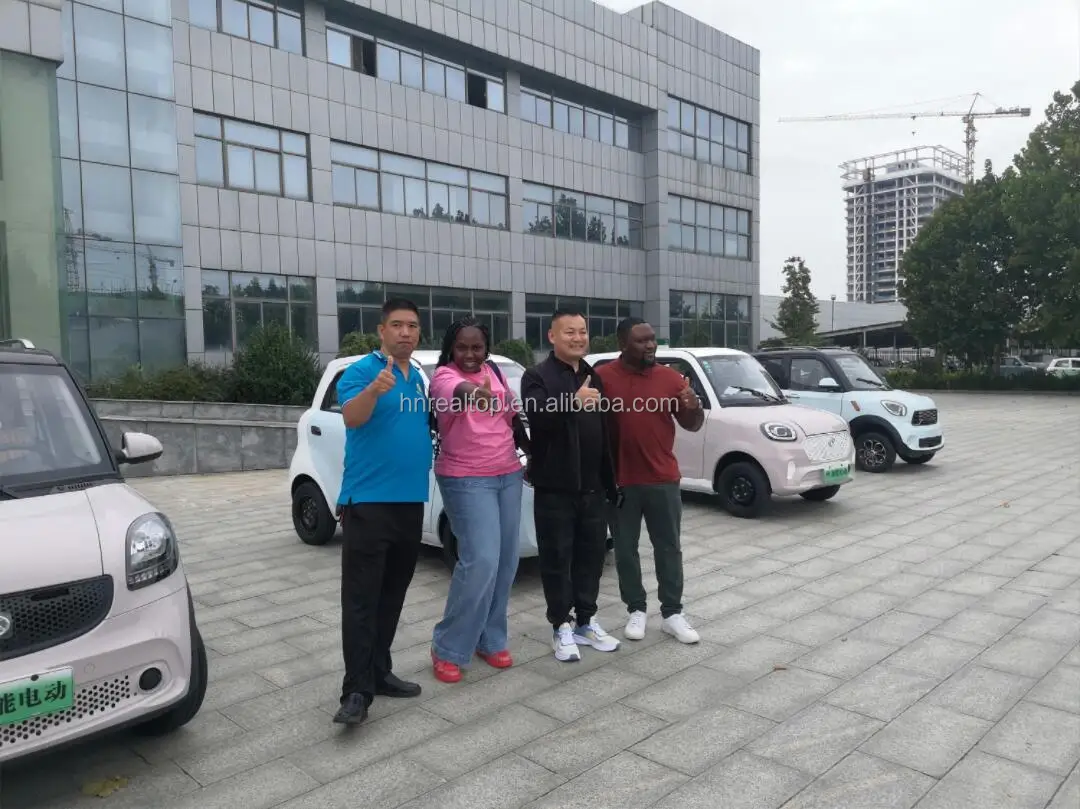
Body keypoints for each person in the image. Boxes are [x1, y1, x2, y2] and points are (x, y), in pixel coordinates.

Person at [333, 298, 432, 725]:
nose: (405, 332)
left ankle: (379, 671)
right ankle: (356, 691)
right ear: (381, 330)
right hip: (368, 503)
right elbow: (352, 418)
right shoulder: (361, 372)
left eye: (412, 325)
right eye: (397, 325)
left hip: (410, 502)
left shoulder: (418, 378)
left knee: (392, 595)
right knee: (361, 599)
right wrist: (374, 390)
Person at [427, 317, 530, 683]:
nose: (470, 354)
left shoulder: (495, 373)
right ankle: (448, 646)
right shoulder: (443, 377)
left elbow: (511, 420)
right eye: (462, 347)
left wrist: (531, 456)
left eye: (477, 347)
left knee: (506, 561)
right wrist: (474, 393)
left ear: (486, 349)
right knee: (481, 561)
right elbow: (457, 393)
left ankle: (490, 638)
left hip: (508, 474)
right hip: (466, 478)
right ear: (450, 349)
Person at [520, 309, 621, 662]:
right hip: (555, 488)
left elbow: (603, 432)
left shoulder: (593, 375)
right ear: (552, 336)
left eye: (582, 331)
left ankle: (586, 621)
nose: (578, 338)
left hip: (592, 487)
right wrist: (572, 402)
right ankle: (560, 625)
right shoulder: (536, 376)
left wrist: (610, 480)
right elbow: (537, 416)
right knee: (556, 559)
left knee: (591, 558)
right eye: (569, 332)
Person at [596, 317, 704, 644]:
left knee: (669, 548)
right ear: (622, 344)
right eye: (641, 340)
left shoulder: (670, 378)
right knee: (625, 550)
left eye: (652, 339)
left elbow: (693, 424)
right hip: (621, 482)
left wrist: (693, 406)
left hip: (662, 479)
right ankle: (636, 609)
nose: (650, 345)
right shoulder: (603, 378)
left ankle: (672, 613)